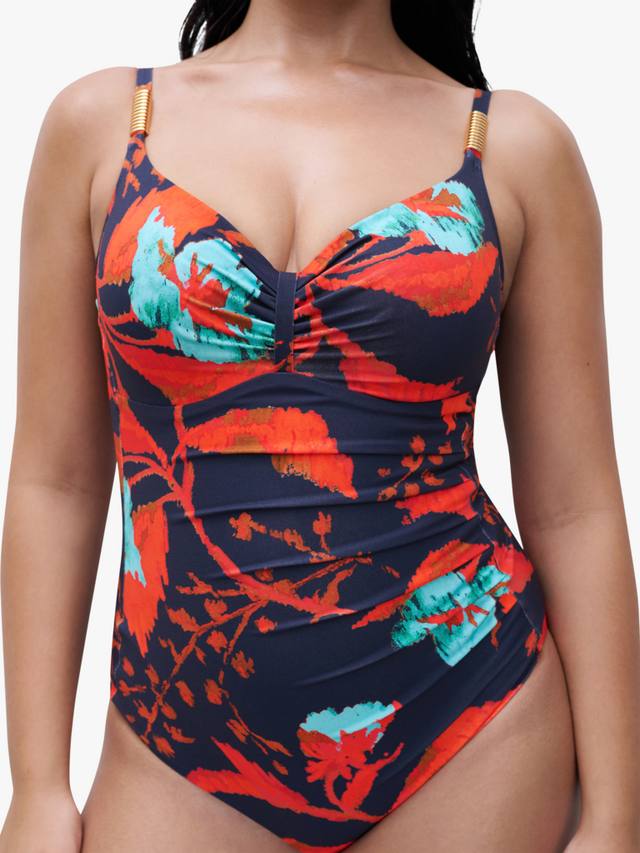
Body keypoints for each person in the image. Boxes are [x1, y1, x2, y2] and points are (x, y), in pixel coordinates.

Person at [1, 1, 638, 851]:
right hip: (178, 736)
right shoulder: (105, 127)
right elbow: (56, 479)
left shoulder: (514, 147)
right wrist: (37, 785)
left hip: (470, 721)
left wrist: (618, 814)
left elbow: (574, 506)